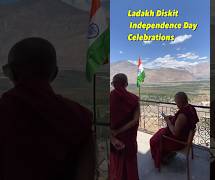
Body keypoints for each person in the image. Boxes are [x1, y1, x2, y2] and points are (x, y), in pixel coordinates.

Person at [0, 37, 95, 180]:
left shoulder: (5, 111)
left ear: (11, 72)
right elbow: (86, 173)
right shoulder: (79, 117)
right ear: (54, 73)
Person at [150, 92, 199, 169]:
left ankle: (161, 157)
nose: (176, 105)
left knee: (153, 140)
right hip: (185, 136)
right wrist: (173, 118)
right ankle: (166, 154)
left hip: (178, 141)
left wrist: (168, 120)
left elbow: (175, 133)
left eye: (176, 103)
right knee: (161, 131)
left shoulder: (182, 115)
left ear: (180, 102)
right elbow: (186, 122)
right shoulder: (191, 108)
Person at [109, 73, 140, 180]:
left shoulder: (108, 98)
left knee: (116, 162)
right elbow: (135, 120)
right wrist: (119, 131)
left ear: (113, 84)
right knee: (129, 162)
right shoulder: (134, 99)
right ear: (126, 84)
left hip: (114, 138)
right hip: (129, 138)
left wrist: (113, 136)